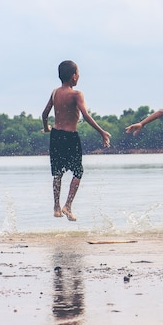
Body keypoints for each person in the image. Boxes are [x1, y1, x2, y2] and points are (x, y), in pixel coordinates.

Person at [42, 60, 111, 221]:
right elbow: (86, 116)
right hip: (71, 137)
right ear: (73, 76)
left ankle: (56, 207)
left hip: (56, 136)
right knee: (78, 172)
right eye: (78, 73)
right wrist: (102, 132)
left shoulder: (54, 93)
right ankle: (68, 205)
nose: (79, 76)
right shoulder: (76, 94)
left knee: (57, 173)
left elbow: (44, 114)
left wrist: (46, 128)